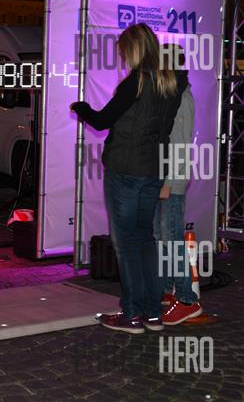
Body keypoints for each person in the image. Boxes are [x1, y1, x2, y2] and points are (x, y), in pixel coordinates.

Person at [71, 23, 188, 333]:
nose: (123, 57)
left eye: (124, 52)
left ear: (133, 50)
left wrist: (79, 106)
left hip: (125, 170)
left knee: (126, 244)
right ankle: (152, 314)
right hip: (153, 170)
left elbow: (101, 121)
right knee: (145, 240)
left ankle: (132, 315)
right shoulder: (172, 82)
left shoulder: (135, 82)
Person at [154, 44, 202, 325]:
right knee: (160, 236)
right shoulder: (169, 94)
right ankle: (166, 290)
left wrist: (170, 182)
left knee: (170, 237)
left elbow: (181, 145)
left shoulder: (181, 96)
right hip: (161, 177)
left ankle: (187, 299)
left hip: (171, 179)